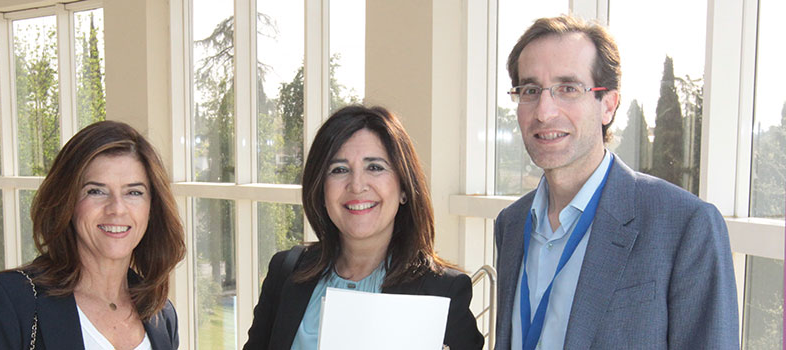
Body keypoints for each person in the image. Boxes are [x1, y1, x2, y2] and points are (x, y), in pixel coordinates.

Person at [493, 15, 738, 349]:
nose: (544, 111)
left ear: (608, 105)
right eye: (530, 90)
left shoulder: (685, 225)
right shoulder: (511, 224)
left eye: (568, 88)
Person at [244, 105, 484, 350]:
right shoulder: (285, 272)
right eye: (339, 170)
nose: (357, 186)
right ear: (321, 190)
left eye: (375, 167)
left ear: (403, 188)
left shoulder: (443, 291)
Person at [0, 121, 186, 350]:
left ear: (152, 207)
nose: (117, 208)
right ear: (67, 202)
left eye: (134, 192)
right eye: (96, 191)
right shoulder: (9, 303)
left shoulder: (161, 314)